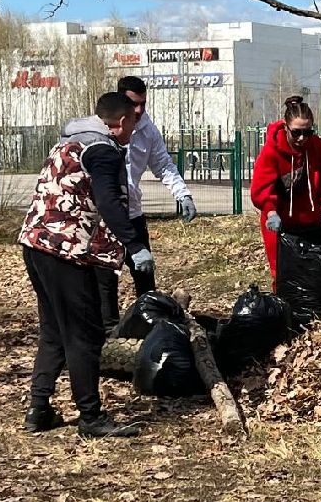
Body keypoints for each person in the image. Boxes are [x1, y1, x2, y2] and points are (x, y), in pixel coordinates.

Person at [19, 92, 154, 438]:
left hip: (35, 244)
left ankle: (39, 409)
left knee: (53, 329)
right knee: (85, 333)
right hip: (65, 250)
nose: (133, 132)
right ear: (121, 122)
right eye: (133, 124)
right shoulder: (103, 149)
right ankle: (90, 417)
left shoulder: (68, 143)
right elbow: (109, 201)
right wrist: (135, 244)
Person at [92, 75, 197, 333]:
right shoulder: (99, 130)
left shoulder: (148, 130)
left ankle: (148, 325)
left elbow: (163, 164)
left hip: (132, 213)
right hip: (103, 217)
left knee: (144, 274)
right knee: (105, 278)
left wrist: (182, 194)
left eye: (143, 104)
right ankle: (109, 333)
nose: (138, 111)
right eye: (133, 104)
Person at [250, 95, 321, 286]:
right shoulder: (271, 151)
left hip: (312, 222)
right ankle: (287, 311)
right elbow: (261, 188)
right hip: (280, 224)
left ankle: (314, 313)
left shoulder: (318, 148)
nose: (302, 138)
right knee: (284, 275)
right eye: (296, 132)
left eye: (308, 132)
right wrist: (271, 212)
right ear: (286, 127)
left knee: (316, 272)